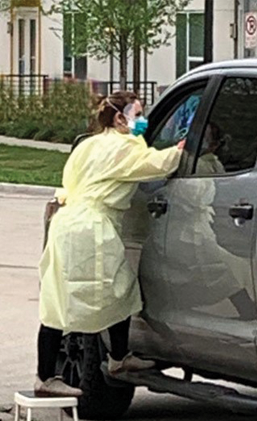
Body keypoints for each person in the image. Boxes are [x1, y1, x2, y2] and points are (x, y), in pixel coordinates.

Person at [34, 91, 186, 397]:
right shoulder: (123, 146)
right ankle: (61, 375)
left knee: (61, 299)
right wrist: (181, 149)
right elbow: (156, 166)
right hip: (92, 227)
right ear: (120, 118)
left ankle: (102, 362)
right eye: (138, 114)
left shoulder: (88, 144)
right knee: (116, 290)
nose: (142, 120)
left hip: (68, 223)